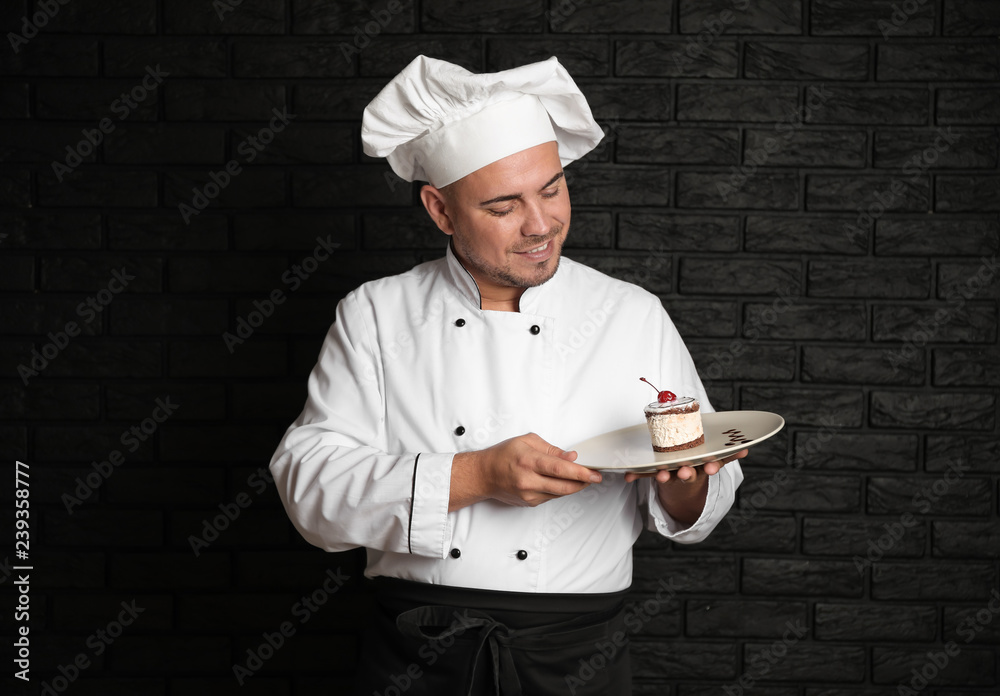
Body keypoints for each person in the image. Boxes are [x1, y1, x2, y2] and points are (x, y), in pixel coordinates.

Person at [268, 54, 745, 695]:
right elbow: (310, 493)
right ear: (440, 210)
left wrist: (685, 484)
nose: (541, 225)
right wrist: (475, 476)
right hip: (419, 654)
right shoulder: (377, 314)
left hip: (578, 657)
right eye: (503, 206)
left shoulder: (631, 314)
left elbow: (705, 495)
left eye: (551, 188)